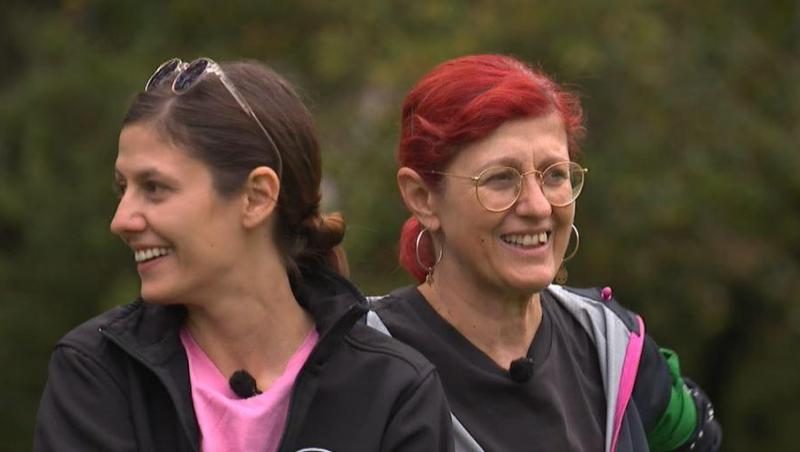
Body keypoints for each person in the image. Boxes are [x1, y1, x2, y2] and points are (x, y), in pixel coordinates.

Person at [34, 57, 453, 452]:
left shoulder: (393, 391)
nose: (121, 220)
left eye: (154, 188)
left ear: (256, 197)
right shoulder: (98, 372)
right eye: (122, 189)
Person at [367, 54, 721, 452]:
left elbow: (699, 438)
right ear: (422, 198)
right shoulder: (363, 363)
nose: (537, 206)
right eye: (501, 179)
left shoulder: (610, 346)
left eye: (555, 175)